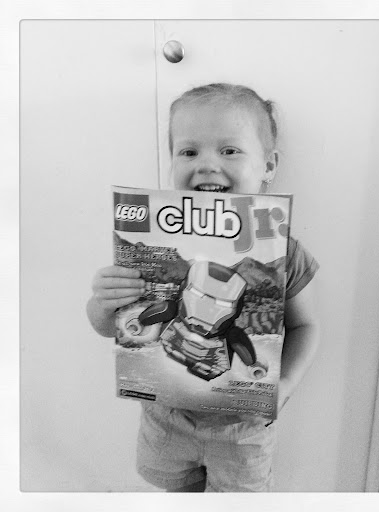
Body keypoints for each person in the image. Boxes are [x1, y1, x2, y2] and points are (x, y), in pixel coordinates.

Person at [86, 83, 320, 492]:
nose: (207, 165)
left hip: (243, 429)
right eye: (189, 152)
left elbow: (305, 326)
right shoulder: (154, 247)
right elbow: (115, 327)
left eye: (229, 150)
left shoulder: (285, 252)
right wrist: (104, 303)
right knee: (174, 491)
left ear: (268, 165)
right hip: (166, 417)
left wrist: (285, 385)